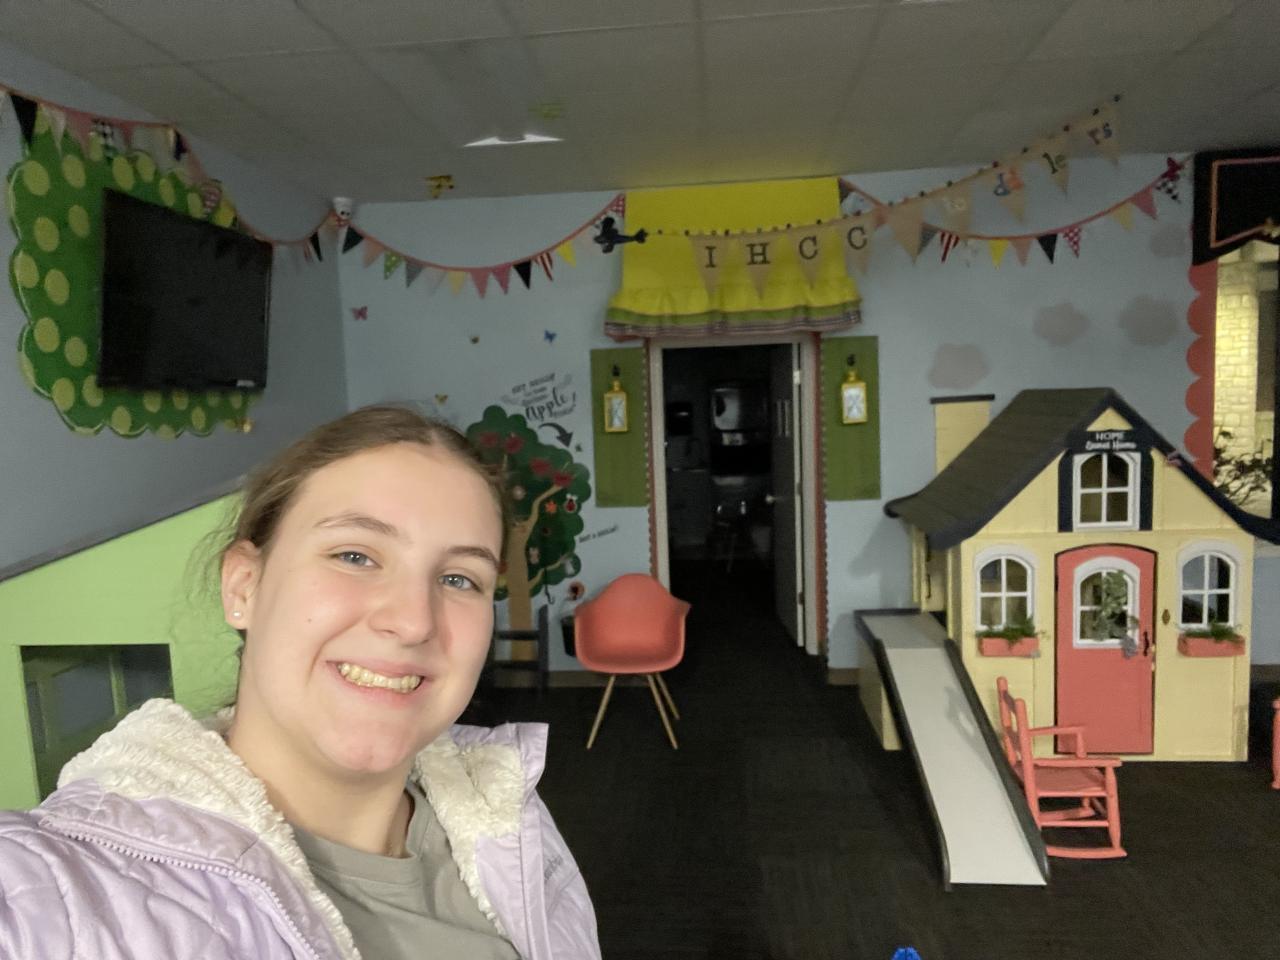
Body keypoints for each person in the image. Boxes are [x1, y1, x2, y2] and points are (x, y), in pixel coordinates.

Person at [0, 405, 601, 960]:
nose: (414, 621)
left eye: (459, 579)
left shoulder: (509, 817)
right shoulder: (62, 886)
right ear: (244, 587)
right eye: (355, 556)